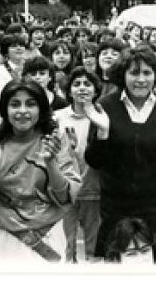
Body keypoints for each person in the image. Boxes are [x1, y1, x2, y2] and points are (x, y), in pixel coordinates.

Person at [84, 46, 156, 262]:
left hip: (155, 206)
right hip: (116, 206)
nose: (141, 79)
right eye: (134, 73)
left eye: (147, 73)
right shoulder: (105, 107)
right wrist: (103, 133)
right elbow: (94, 160)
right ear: (123, 75)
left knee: (152, 262)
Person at [0, 80, 81, 262]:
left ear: (41, 108)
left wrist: (50, 163)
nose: (22, 111)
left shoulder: (55, 140)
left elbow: (66, 197)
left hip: (47, 236)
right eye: (15, 104)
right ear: (4, 109)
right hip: (1, 238)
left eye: (30, 104)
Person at [56, 67, 103, 263]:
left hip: (94, 190)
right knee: (66, 248)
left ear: (96, 90)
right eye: (77, 84)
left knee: (94, 249)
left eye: (87, 84)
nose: (82, 88)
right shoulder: (56, 118)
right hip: (65, 191)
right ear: (69, 91)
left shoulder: (103, 117)